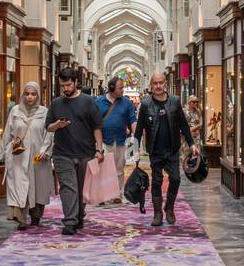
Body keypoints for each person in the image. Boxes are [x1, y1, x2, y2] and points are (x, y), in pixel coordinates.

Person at [47, 67, 106, 236]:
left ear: (75, 83)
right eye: (62, 85)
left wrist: (99, 149)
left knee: (82, 189)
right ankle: (70, 221)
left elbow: (97, 127)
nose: (65, 88)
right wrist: (57, 125)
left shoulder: (88, 102)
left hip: (85, 153)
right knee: (68, 187)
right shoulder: (56, 103)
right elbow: (48, 127)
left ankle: (79, 214)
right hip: (62, 153)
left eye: (68, 84)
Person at [135, 71, 198, 226]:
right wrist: (135, 150)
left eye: (161, 83)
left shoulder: (175, 102)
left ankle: (169, 207)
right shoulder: (145, 104)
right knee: (156, 181)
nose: (158, 86)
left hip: (172, 149)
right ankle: (157, 213)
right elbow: (139, 129)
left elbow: (183, 125)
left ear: (165, 84)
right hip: (155, 150)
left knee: (175, 179)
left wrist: (192, 144)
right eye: (155, 83)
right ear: (151, 85)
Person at [0, 81, 53, 230]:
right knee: (19, 187)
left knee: (36, 187)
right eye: (27, 94)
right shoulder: (15, 111)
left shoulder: (44, 112)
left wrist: (45, 151)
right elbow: (8, 133)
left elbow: (49, 133)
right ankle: (21, 218)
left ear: (38, 95)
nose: (30, 97)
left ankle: (36, 215)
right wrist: (5, 152)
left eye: (33, 94)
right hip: (19, 157)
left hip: (37, 158)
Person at [96, 75, 138, 204]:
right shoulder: (98, 102)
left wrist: (136, 136)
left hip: (120, 140)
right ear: (111, 88)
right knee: (103, 168)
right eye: (120, 88)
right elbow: (93, 121)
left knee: (119, 168)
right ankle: (102, 195)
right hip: (103, 140)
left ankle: (117, 194)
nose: (123, 90)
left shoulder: (126, 103)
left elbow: (132, 120)